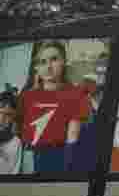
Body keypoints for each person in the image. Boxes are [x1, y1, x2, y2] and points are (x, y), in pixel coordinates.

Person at [17, 41, 89, 173]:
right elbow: (19, 131)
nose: (48, 66)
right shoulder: (27, 96)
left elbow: (72, 138)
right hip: (26, 158)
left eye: (54, 59)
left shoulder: (76, 94)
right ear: (37, 67)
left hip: (57, 160)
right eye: (43, 62)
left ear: (64, 62)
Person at [0, 89, 23, 174]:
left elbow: (14, 172)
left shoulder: (16, 143)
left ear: (13, 117)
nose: (1, 119)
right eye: (0, 112)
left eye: (8, 115)